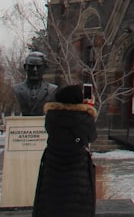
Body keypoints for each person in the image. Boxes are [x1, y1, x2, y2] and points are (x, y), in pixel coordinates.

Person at [32, 84, 98, 217]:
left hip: (53, 176)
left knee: (53, 208)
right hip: (77, 180)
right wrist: (89, 109)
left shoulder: (52, 118)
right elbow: (91, 136)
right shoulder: (83, 120)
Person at [12, 51, 58, 116]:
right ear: (25, 67)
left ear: (45, 68)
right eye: (31, 66)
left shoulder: (52, 90)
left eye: (38, 66)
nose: (35, 69)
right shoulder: (16, 89)